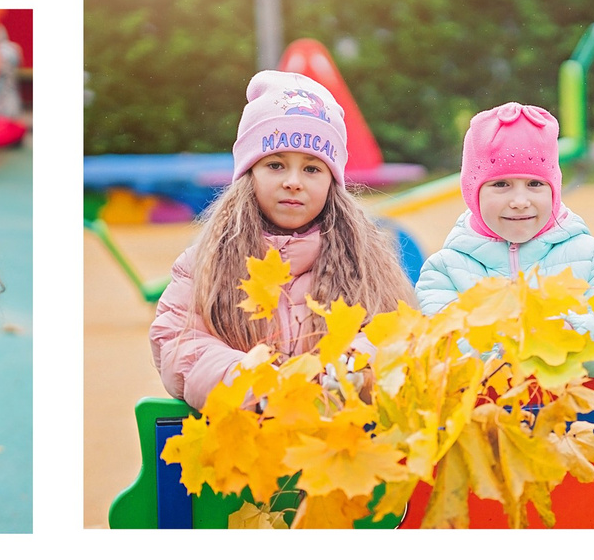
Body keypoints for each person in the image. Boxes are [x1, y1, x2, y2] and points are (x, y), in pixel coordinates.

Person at [148, 72, 414, 407]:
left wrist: (352, 366)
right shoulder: (206, 260)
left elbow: (392, 330)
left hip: (334, 438)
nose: (293, 182)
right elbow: (179, 342)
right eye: (275, 165)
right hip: (244, 440)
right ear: (249, 174)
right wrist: (253, 384)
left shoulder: (364, 259)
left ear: (333, 182)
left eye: (312, 169)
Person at [414, 104, 594, 376]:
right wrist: (510, 338)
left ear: (554, 189)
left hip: (578, 415)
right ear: (472, 192)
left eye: (535, 184)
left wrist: (571, 333)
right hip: (488, 415)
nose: (520, 202)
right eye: (501, 185)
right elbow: (443, 351)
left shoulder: (591, 257)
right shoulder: (445, 271)